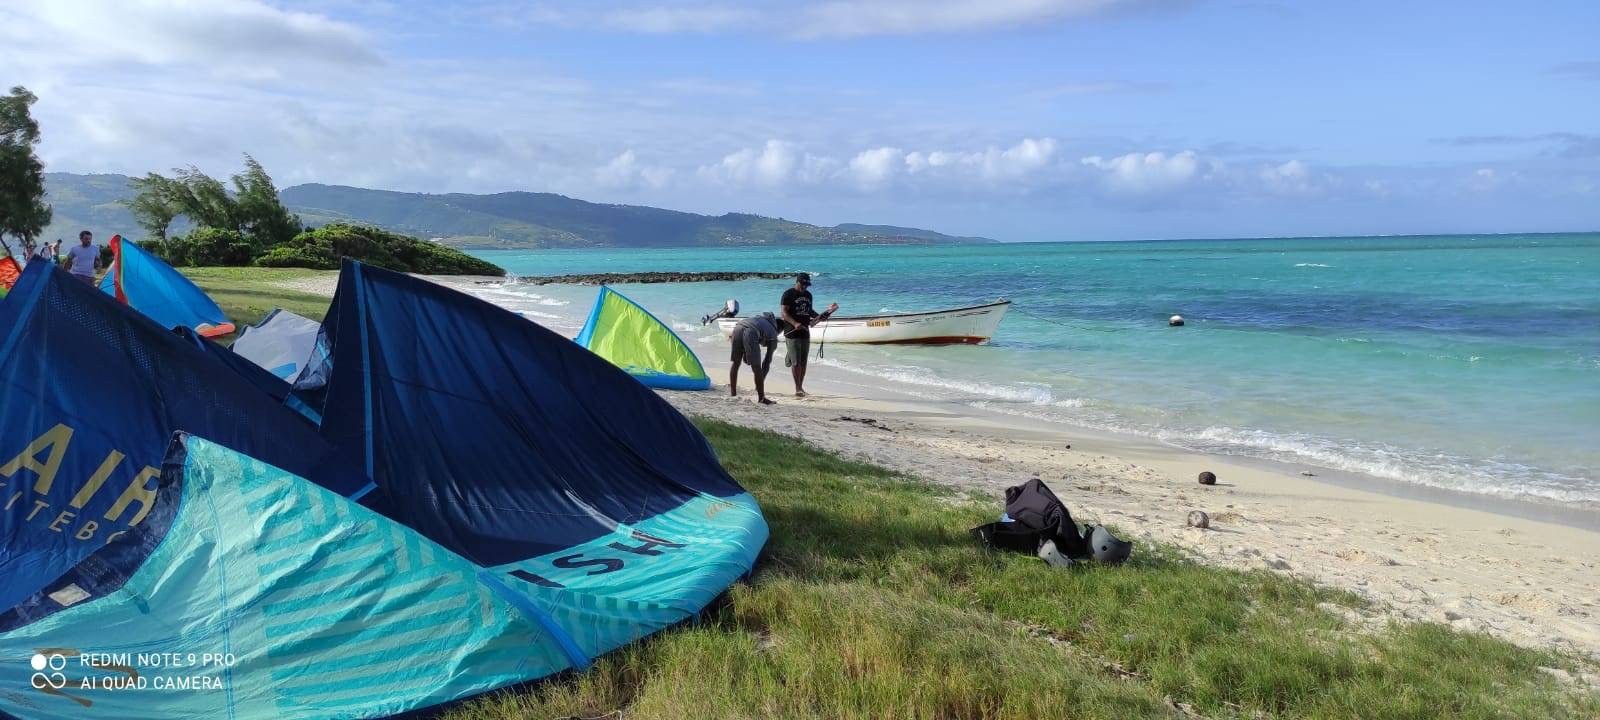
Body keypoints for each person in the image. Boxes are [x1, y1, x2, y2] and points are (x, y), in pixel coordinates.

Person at [779, 272, 837, 397]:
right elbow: (783, 313)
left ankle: (801, 387)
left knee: (803, 362)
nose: (805, 287)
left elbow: (810, 311)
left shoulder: (808, 295)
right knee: (796, 362)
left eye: (807, 285)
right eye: (803, 284)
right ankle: (797, 388)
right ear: (798, 282)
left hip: (805, 331)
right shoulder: (788, 294)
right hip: (791, 331)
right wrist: (794, 323)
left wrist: (827, 313)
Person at [729, 311, 781, 405]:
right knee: (756, 367)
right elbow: (767, 362)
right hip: (751, 331)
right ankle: (762, 398)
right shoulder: (773, 332)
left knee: (736, 363)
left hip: (737, 327)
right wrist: (761, 379)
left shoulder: (759, 320)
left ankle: (733, 394)